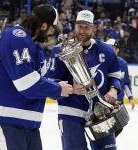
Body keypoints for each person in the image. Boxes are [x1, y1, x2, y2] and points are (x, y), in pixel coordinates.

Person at [0, 4, 73, 150]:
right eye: (52, 30)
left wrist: (71, 87)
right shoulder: (15, 36)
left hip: (27, 123)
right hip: (7, 120)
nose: (50, 34)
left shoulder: (36, 47)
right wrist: (58, 89)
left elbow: (45, 82)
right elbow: (27, 84)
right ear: (44, 26)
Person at [47, 10, 121, 150]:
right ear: (74, 26)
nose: (83, 31)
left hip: (101, 112)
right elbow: (50, 84)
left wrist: (113, 90)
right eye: (80, 26)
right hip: (70, 113)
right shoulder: (59, 51)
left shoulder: (106, 50)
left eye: (87, 27)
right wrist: (71, 89)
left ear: (93, 28)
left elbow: (114, 77)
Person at [106, 38, 135, 110]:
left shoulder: (123, 64)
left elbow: (126, 83)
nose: (109, 50)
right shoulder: (100, 62)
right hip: (104, 102)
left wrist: (130, 97)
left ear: (117, 50)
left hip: (119, 103)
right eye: (107, 48)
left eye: (111, 48)